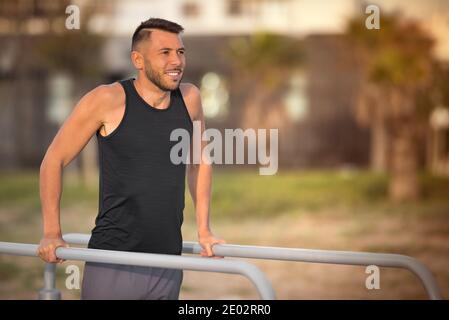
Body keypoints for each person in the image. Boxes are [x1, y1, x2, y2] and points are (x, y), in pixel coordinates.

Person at [37, 18, 225, 300]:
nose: (177, 61)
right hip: (114, 259)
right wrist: (52, 232)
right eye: (165, 53)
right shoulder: (107, 99)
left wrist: (204, 230)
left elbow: (199, 164)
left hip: (168, 263)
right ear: (138, 59)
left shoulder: (190, 98)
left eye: (180, 52)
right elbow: (54, 160)